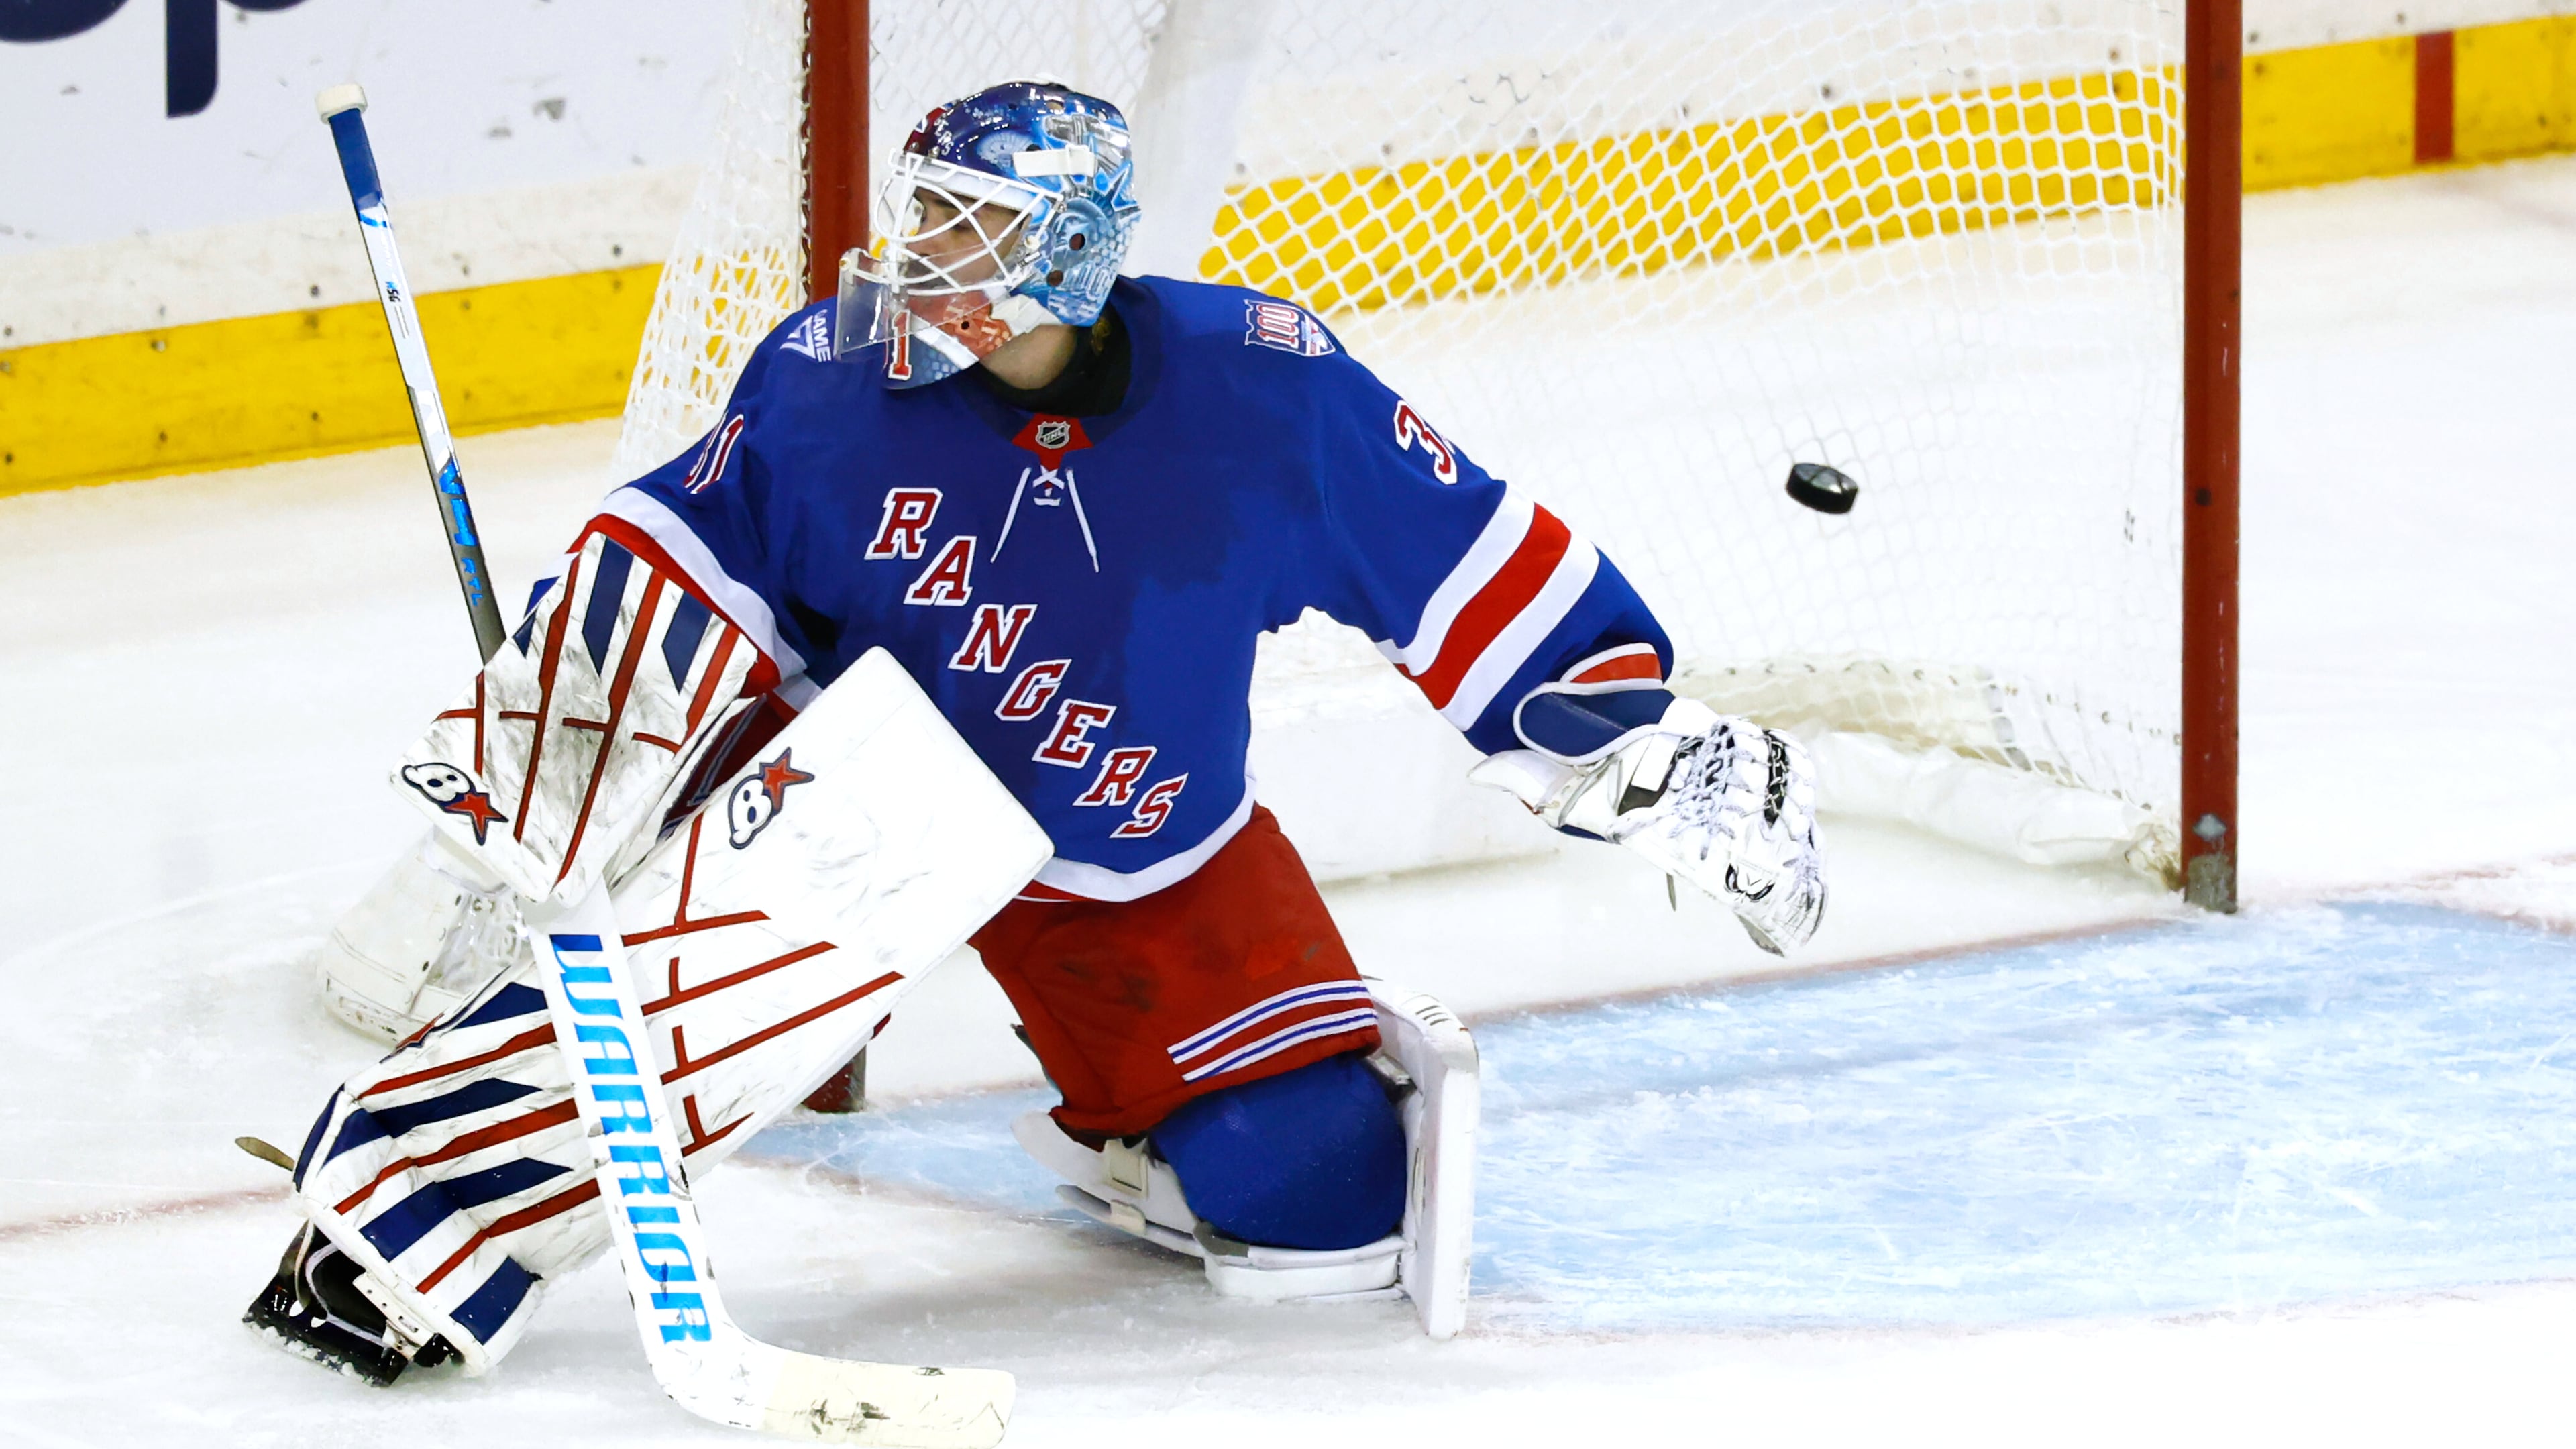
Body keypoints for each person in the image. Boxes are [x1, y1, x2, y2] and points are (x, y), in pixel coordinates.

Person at [248, 79, 1825, 1385]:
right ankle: (401, 1209)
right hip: (861, 808)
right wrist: (586, 707)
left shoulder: (1262, 392)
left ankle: (1144, 1134)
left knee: (1327, 1213)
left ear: (1071, 253)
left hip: (1134, 853)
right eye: (920, 209)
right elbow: (691, 552)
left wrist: (1653, 748)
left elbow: (1467, 574)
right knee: (668, 1008)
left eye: (969, 227)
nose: (918, 251)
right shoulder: (829, 381)